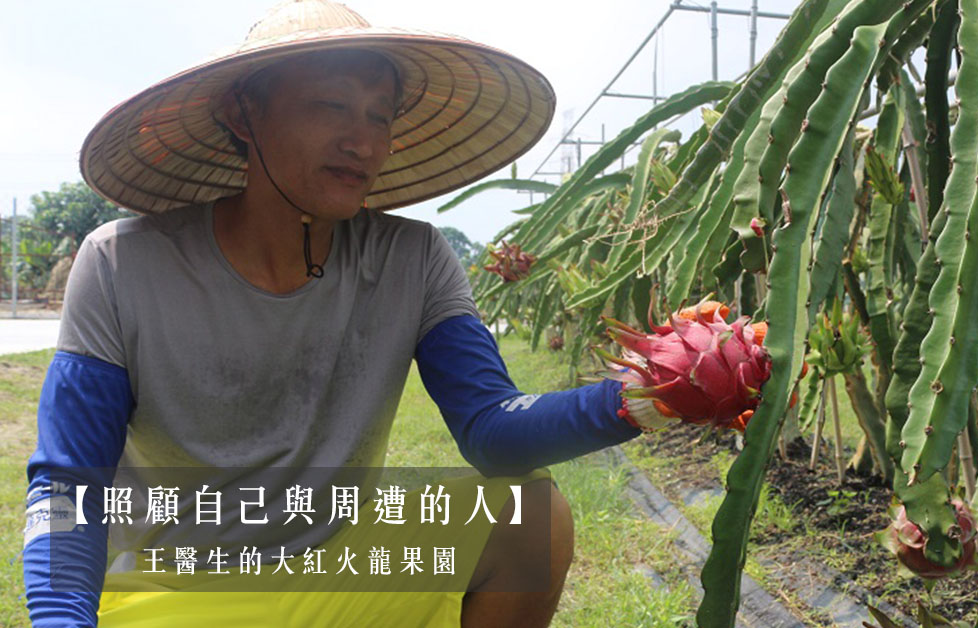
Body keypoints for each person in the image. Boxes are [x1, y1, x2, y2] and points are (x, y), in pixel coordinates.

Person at [22, 1, 675, 626]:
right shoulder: (123, 265)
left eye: (379, 116)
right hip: (178, 584)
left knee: (530, 514)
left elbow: (492, 429)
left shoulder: (413, 259)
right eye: (331, 106)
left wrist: (644, 397)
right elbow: (67, 485)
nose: (361, 141)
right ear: (242, 112)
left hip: (339, 570)